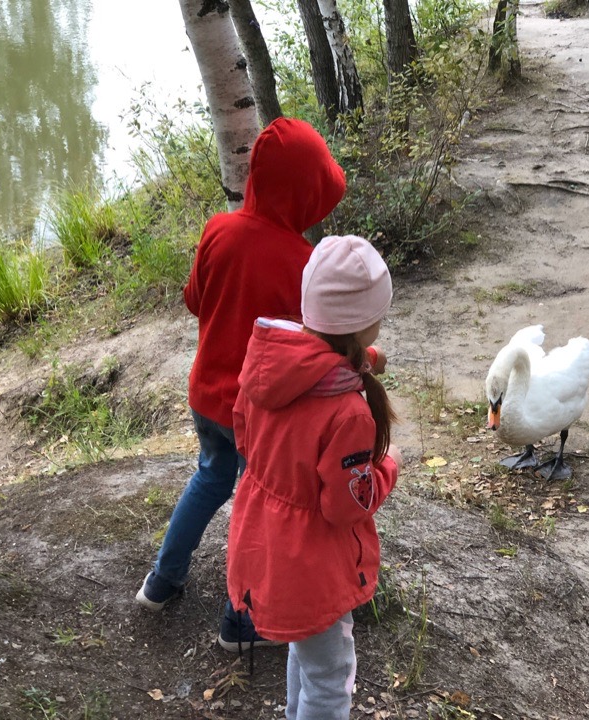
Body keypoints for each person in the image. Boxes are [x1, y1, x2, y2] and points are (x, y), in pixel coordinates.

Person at [135, 117, 350, 653]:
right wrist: (365, 357)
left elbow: (194, 301)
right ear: (304, 194)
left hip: (206, 398)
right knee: (257, 506)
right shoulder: (303, 263)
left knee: (209, 479)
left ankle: (161, 584)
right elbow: (316, 347)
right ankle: (238, 622)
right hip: (258, 414)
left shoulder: (217, 230)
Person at [226, 234, 402, 720]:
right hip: (311, 563)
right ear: (364, 323)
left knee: (304, 653)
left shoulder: (267, 364)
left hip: (262, 539)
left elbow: (244, 432)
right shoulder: (347, 413)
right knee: (331, 674)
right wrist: (388, 468)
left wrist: (363, 362)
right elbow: (346, 505)